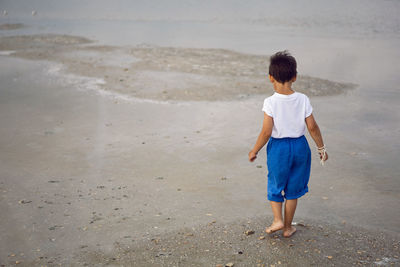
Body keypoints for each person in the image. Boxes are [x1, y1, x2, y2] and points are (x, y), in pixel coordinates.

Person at [248, 51, 328, 238]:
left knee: (275, 183)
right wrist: (321, 148)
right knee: (293, 190)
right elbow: (313, 127)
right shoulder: (303, 99)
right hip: (301, 147)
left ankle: (278, 220)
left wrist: (255, 150)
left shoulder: (270, 102)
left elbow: (266, 131)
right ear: (294, 77)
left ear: (270, 78)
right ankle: (287, 228)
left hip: (278, 149)